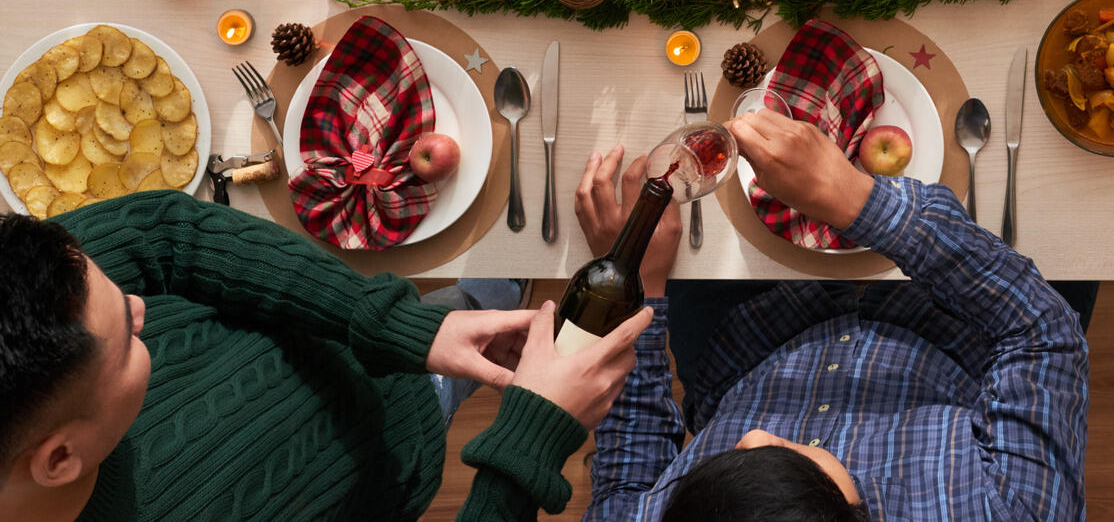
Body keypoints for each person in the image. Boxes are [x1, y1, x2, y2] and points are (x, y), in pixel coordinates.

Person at [0, 192, 651, 522]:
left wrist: (400, 328)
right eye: (126, 343)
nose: (142, 309)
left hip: (353, 340)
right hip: (395, 458)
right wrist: (527, 442)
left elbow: (170, 232)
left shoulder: (33, 284)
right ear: (60, 458)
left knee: (482, 300)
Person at [573, 112, 1092, 520]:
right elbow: (1042, 331)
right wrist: (857, 201)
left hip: (747, 338)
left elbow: (629, 477)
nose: (750, 438)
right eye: (784, 466)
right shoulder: (1007, 512)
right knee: (1085, 213)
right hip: (956, 325)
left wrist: (638, 282)